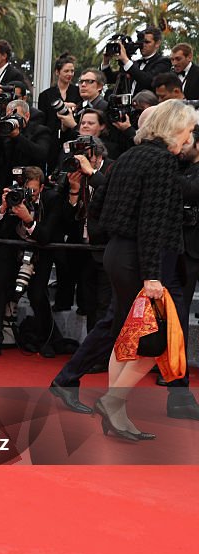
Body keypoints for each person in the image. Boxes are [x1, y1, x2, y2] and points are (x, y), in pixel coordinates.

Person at [63, 100, 195, 440]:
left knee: (125, 334)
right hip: (145, 260)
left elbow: (104, 208)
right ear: (174, 127)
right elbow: (152, 223)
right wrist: (152, 274)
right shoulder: (163, 161)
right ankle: (112, 401)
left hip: (118, 253)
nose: (190, 137)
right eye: (189, 130)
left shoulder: (129, 157)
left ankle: (117, 417)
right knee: (159, 340)